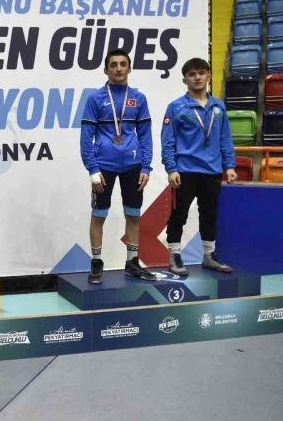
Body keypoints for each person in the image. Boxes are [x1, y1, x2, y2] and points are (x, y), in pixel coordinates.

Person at [80, 49, 155, 284]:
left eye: (123, 64)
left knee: (133, 215)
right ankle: (96, 263)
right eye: (113, 64)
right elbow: (86, 137)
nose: (119, 68)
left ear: (129, 68)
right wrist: (92, 169)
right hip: (104, 167)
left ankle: (132, 263)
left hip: (133, 166)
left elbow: (146, 135)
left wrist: (146, 167)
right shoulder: (95, 99)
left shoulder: (139, 99)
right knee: (98, 216)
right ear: (106, 70)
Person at [161, 58, 237, 276]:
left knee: (210, 215)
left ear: (208, 76)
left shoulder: (218, 106)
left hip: (212, 171)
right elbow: (168, 141)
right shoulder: (176, 107)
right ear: (185, 79)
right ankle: (175, 256)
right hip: (185, 171)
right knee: (179, 215)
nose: (197, 78)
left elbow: (225, 139)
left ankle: (209, 255)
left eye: (201, 73)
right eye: (192, 74)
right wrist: (171, 168)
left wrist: (229, 165)